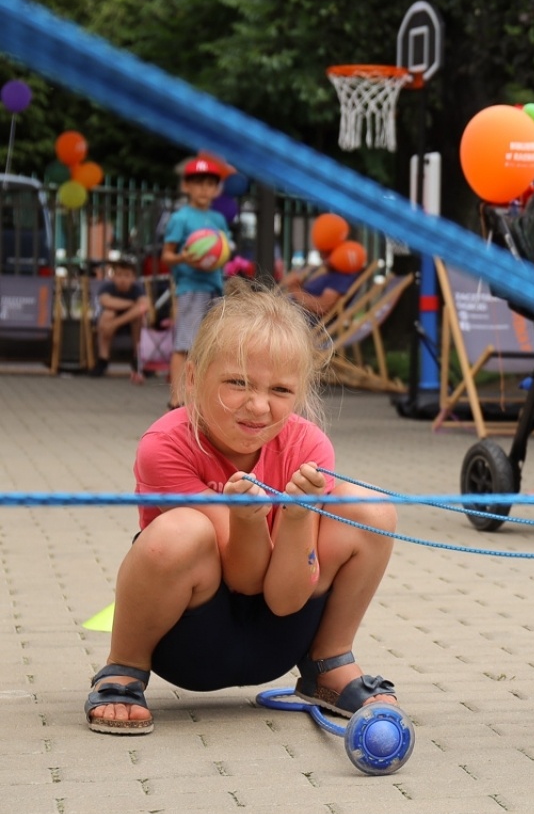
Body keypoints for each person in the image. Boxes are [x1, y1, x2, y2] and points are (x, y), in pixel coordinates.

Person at [83, 281, 398, 736]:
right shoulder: (165, 446)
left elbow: (285, 597)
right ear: (192, 379)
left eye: (281, 391)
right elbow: (243, 579)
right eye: (238, 383)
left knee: (371, 509)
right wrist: (247, 519)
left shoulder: (309, 446)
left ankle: (328, 665)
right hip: (189, 637)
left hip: (283, 629)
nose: (259, 406)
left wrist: (297, 516)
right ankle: (124, 667)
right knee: (181, 531)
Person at [161, 156, 233, 411]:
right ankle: (176, 400)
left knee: (211, 347)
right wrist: (185, 257)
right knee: (184, 344)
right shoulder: (181, 218)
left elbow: (223, 250)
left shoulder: (218, 219)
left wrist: (219, 255)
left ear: (216, 189)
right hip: (191, 288)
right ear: (187, 187)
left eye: (209, 184)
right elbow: (166, 255)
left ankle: (202, 398)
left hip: (215, 287)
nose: (204, 189)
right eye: (198, 183)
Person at [90, 258, 152, 384]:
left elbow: (145, 306)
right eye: (119, 275)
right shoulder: (107, 287)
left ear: (133, 278)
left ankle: (137, 359)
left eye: (127, 275)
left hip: (127, 326)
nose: (122, 279)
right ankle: (103, 359)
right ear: (113, 276)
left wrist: (116, 324)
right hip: (106, 326)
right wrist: (132, 304)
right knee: (108, 314)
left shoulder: (137, 289)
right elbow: (106, 301)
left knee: (138, 316)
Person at [282, 263, 361, 321]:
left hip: (298, 317)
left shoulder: (342, 278)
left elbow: (322, 307)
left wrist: (295, 289)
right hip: (290, 310)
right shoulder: (328, 273)